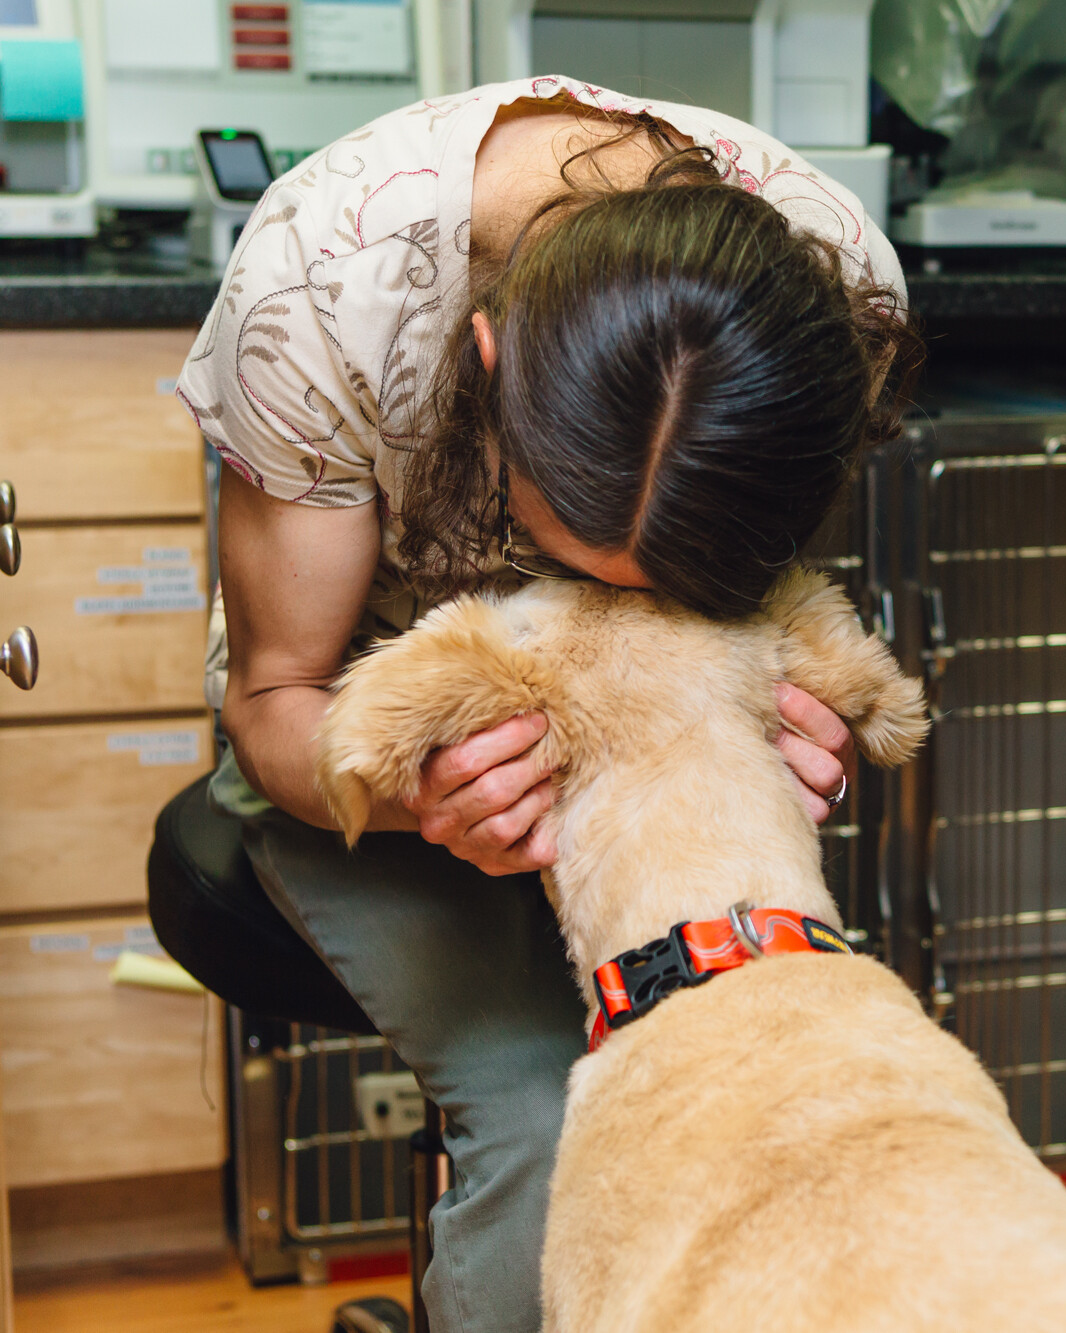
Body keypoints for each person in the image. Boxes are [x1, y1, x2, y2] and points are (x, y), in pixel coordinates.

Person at [175, 75, 921, 1332]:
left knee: (783, 1084)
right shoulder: (318, 292)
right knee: (548, 1109)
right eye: (566, 546)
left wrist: (794, 732)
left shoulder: (837, 290)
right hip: (366, 741)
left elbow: (790, 612)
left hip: (649, 760)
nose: (598, 600)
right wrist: (424, 794)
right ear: (483, 364)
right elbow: (276, 694)